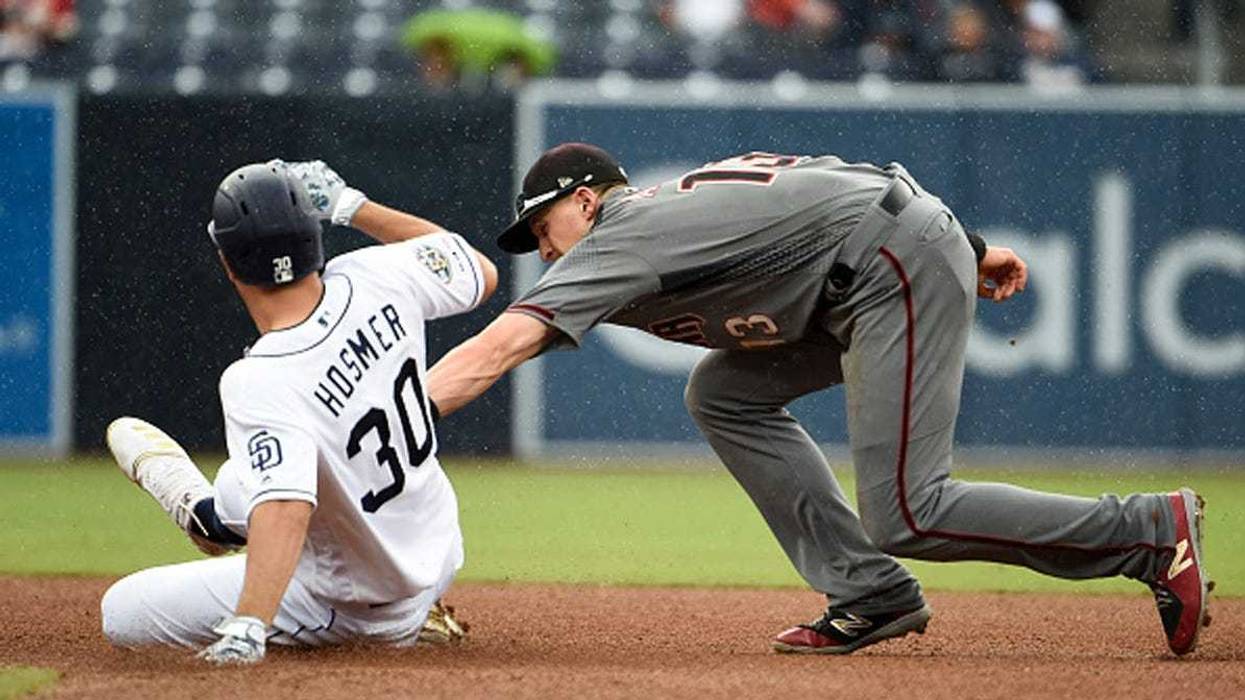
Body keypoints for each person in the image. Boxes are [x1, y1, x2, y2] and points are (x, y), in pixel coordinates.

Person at [426, 143, 1212, 656]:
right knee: (724, 392)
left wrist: (398, 411)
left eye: (545, 224)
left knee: (909, 508)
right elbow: (819, 180)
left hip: (882, 271)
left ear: (589, 201)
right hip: (870, 265)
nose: (543, 246)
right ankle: (867, 590)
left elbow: (501, 346)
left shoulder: (620, 234)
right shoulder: (661, 217)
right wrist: (964, 246)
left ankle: (1146, 531)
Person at [100, 159, 497, 664]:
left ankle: (203, 515)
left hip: (359, 605)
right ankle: (210, 514)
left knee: (122, 610)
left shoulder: (260, 377)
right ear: (314, 236)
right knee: (244, 481)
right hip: (438, 550)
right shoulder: (377, 274)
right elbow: (478, 270)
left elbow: (287, 509)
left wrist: (249, 625)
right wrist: (353, 206)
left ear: (228, 263)